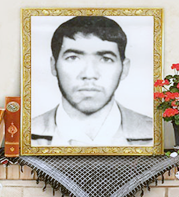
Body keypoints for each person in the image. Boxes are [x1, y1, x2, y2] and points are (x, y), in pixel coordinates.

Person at [32, 16, 153, 146]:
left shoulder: (155, 134)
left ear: (124, 68)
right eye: (73, 58)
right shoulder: (24, 135)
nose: (89, 74)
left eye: (106, 59)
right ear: (53, 66)